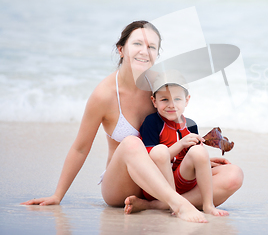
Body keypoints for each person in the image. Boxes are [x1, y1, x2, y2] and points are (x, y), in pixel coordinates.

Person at [21, 20, 243, 223]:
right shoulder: (104, 95)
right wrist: (57, 195)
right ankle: (179, 204)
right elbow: (80, 149)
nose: (144, 51)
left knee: (233, 176)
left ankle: (155, 204)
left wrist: (201, 159)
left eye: (151, 47)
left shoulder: (160, 88)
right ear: (121, 49)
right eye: (137, 43)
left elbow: (178, 128)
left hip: (166, 174)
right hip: (123, 184)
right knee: (131, 143)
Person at [140, 81, 229, 217]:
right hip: (158, 184)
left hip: (183, 180)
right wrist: (181, 144)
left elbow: (192, 157)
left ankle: (208, 205)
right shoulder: (151, 122)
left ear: (187, 100)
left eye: (177, 99)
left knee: (231, 171)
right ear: (154, 101)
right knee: (159, 150)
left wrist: (207, 162)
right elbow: (151, 160)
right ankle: (173, 204)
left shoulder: (191, 125)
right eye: (164, 99)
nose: (171, 105)